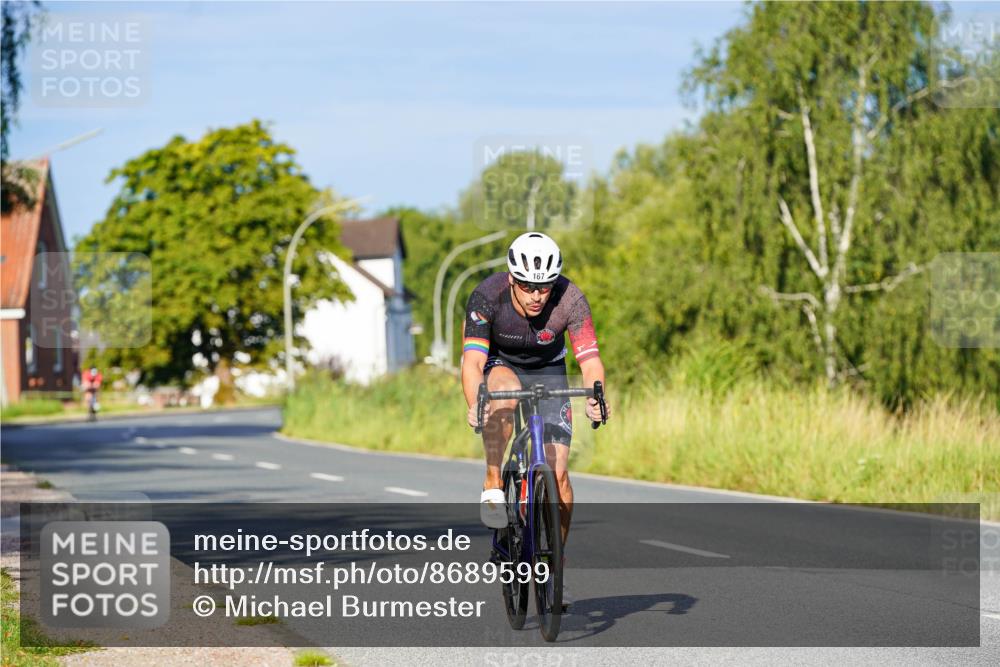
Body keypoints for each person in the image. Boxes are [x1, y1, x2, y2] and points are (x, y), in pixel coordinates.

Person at [461, 231, 611, 543]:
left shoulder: (571, 299)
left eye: (544, 286)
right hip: (501, 363)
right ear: (512, 280)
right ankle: (493, 479)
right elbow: (473, 362)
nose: (536, 295)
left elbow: (591, 361)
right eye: (527, 286)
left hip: (549, 369)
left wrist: (596, 396)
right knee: (503, 393)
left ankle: (556, 557)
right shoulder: (487, 296)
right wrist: (475, 402)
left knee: (559, 477)